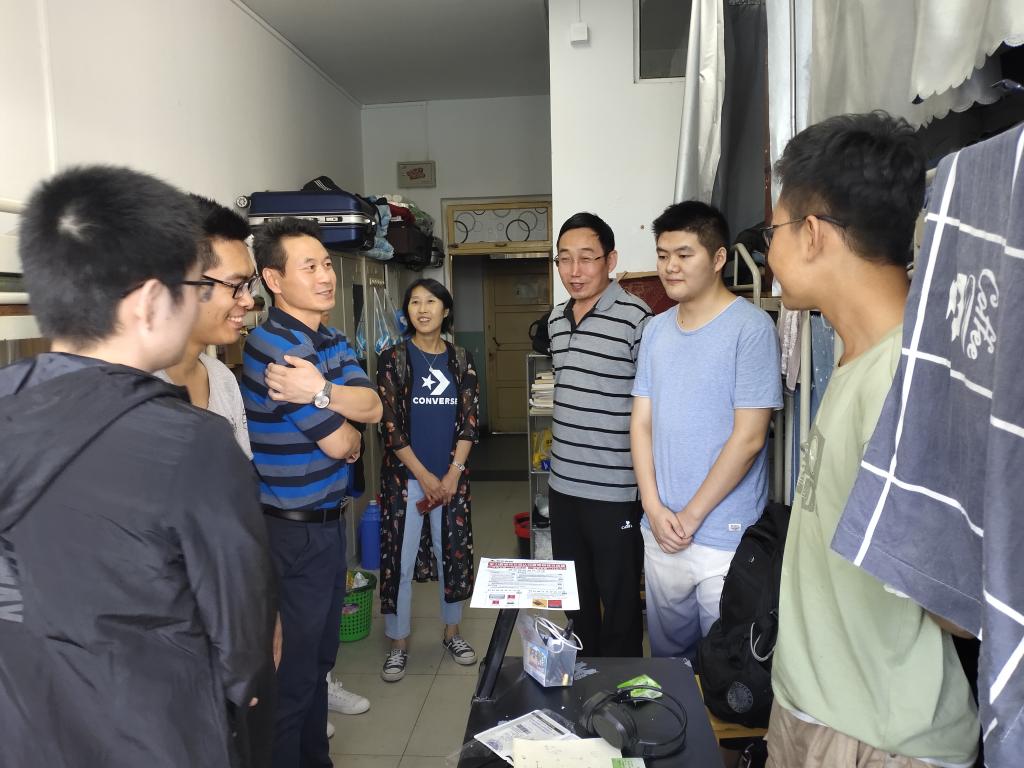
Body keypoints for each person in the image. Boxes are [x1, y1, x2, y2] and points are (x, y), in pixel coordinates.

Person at [0, 165, 275, 768]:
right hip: (156, 733)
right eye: (193, 286)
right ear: (152, 301)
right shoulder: (192, 444)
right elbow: (243, 644)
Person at [765, 112, 979, 767]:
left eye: (772, 232)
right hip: (815, 710)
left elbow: (962, 604)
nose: (768, 253)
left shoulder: (905, 380)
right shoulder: (858, 357)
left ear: (811, 234)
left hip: (876, 739)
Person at [241, 217, 382, 768]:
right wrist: (344, 419)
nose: (326, 276)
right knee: (293, 679)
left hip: (328, 524)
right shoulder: (272, 345)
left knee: (318, 665)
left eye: (326, 264)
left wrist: (320, 390)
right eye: (311, 267)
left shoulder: (331, 339)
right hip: (290, 533)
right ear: (274, 280)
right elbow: (344, 441)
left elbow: (373, 407)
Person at [630, 201, 782, 659]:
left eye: (684, 254)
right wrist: (653, 507)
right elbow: (641, 423)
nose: (669, 267)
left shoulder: (751, 328)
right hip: (661, 530)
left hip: (723, 535)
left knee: (724, 667)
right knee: (669, 662)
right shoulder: (656, 330)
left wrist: (691, 517)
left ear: (718, 259)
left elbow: (749, 438)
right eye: (662, 255)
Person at [546, 212, 652, 657]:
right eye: (564, 259)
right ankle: (583, 675)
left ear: (610, 260)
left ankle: (622, 684)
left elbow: (652, 406)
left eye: (587, 258)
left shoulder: (637, 319)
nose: (574, 270)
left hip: (616, 490)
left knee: (621, 600)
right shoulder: (555, 319)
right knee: (575, 598)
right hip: (562, 487)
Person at [376, 278, 479, 681]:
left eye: (431, 301)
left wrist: (452, 474)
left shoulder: (461, 359)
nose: (422, 309)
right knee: (398, 562)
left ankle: (452, 633)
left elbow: (469, 421)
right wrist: (424, 476)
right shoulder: (393, 358)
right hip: (405, 481)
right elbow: (389, 425)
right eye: (415, 302)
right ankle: (398, 642)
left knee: (451, 554)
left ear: (445, 310)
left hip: (451, 482)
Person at [157, 194, 257, 454]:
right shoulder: (128, 393)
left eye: (249, 285)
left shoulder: (222, 379)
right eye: (236, 285)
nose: (248, 300)